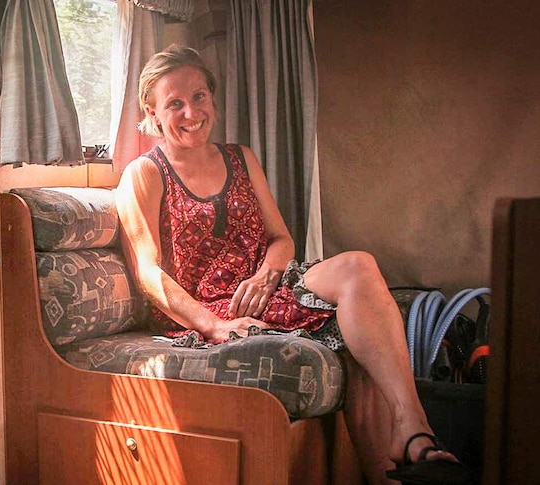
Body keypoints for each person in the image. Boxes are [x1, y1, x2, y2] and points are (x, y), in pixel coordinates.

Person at [114, 44, 471, 485]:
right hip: (208, 309)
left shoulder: (240, 157)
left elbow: (281, 238)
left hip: (268, 288)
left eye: (200, 96)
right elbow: (148, 274)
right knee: (355, 348)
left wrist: (268, 273)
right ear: (152, 111)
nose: (191, 112)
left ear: (213, 98)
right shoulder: (143, 174)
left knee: (359, 267)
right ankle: (411, 454)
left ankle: (414, 427)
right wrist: (212, 325)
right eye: (175, 103)